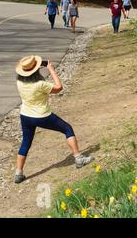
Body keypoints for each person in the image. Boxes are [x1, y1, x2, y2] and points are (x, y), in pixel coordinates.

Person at [14, 55, 94, 184]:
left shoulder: (19, 82)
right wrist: (51, 69)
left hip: (25, 116)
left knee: (26, 142)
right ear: (36, 70)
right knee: (67, 129)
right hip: (42, 116)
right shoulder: (40, 84)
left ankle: (18, 173)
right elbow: (58, 87)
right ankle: (79, 158)